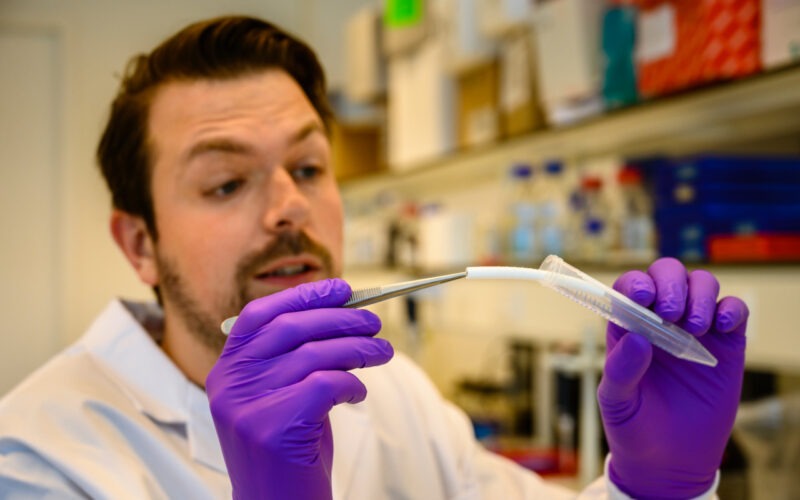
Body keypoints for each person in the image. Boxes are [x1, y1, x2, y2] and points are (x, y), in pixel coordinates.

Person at [0, 15, 748, 499]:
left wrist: (656, 486)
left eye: (309, 167)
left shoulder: (390, 393)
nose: (289, 206)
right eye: (226, 182)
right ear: (140, 244)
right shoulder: (38, 456)